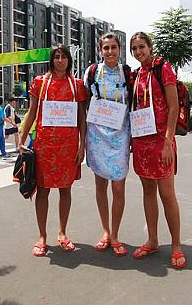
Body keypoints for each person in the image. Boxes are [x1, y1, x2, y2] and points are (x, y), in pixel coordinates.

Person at [18, 45, 87, 257]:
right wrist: (22, 138)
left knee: (65, 190)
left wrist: (81, 145)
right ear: (51, 60)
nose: (60, 60)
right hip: (44, 147)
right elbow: (31, 112)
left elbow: (81, 118)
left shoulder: (77, 86)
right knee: (44, 190)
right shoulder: (40, 83)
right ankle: (42, 236)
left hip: (68, 148)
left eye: (63, 57)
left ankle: (62, 233)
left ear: (69, 60)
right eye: (56, 57)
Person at [129, 31, 186, 269]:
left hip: (162, 141)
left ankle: (176, 246)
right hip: (142, 142)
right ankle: (152, 240)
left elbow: (173, 108)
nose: (139, 51)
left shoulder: (163, 68)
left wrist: (167, 141)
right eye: (134, 49)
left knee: (167, 194)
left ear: (150, 47)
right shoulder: (137, 74)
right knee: (148, 192)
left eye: (142, 46)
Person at [84, 33, 132, 256]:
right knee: (101, 185)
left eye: (114, 47)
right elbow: (82, 102)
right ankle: (105, 232)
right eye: (106, 48)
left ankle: (116, 234)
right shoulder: (92, 72)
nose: (110, 51)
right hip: (97, 134)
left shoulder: (128, 73)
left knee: (119, 186)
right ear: (100, 50)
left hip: (121, 134)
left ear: (119, 49)